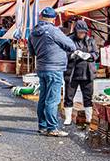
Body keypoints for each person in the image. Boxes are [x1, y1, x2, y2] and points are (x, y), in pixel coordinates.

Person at [28, 7, 77, 136]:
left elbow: (32, 52)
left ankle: (42, 126)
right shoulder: (53, 30)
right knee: (52, 99)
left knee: (43, 98)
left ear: (40, 17)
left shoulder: (33, 32)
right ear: (54, 19)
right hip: (54, 69)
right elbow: (71, 46)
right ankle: (52, 128)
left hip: (41, 68)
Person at [63, 19, 99, 127]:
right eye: (80, 32)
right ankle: (68, 118)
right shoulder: (69, 40)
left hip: (87, 73)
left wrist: (89, 56)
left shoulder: (91, 41)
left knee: (88, 97)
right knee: (69, 97)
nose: (82, 34)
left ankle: (89, 118)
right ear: (75, 31)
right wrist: (72, 55)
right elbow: (64, 53)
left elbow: (96, 54)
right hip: (72, 74)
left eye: (84, 32)